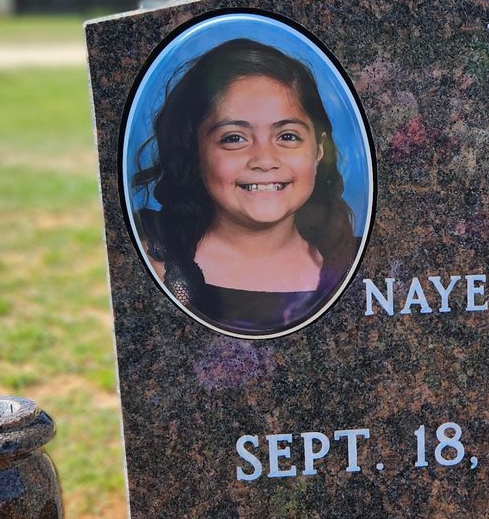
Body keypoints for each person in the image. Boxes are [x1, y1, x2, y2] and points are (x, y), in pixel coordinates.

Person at [131, 37, 361, 334]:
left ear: (318, 150)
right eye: (234, 138)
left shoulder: (356, 264)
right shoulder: (149, 258)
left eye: (288, 136)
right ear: (195, 151)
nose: (264, 160)